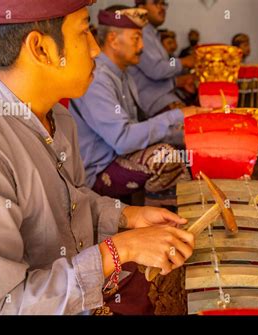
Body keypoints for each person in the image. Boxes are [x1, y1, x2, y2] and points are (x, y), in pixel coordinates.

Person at [0, 0, 195, 315]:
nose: (95, 49)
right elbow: (0, 309)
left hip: (76, 297)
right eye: (84, 32)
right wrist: (119, 249)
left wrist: (127, 216)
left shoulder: (56, 116)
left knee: (183, 281)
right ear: (41, 49)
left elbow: (73, 201)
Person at [70, 6, 206, 199]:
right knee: (165, 156)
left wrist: (186, 136)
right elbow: (123, 140)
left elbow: (138, 127)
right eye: (136, 38)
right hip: (99, 171)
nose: (141, 46)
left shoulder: (123, 74)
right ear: (113, 40)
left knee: (187, 144)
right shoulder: (97, 79)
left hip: (119, 156)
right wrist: (177, 116)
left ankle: (167, 210)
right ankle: (161, 217)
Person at [130, 0, 195, 115]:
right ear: (141, 7)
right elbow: (157, 69)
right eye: (156, 3)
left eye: (163, 4)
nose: (162, 8)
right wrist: (183, 62)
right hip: (152, 104)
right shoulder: (141, 33)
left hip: (162, 97)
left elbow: (159, 70)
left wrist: (179, 81)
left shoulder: (152, 34)